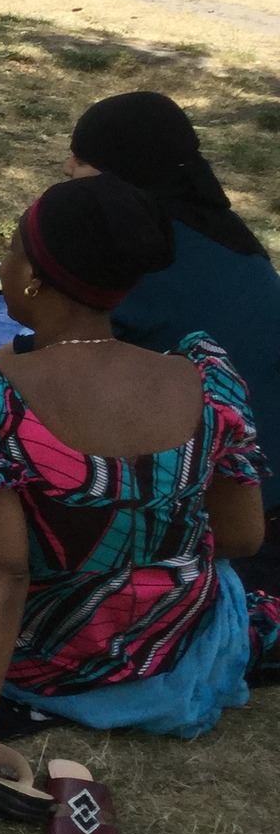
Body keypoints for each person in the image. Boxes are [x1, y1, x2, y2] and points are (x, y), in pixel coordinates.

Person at [0, 175, 278, 803]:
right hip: (185, 643)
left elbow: (3, 571)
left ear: (34, 278)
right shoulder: (205, 376)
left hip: (52, 655)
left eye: (11, 249)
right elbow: (243, 535)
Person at [67, 91, 280, 517]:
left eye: (83, 160)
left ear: (122, 175)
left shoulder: (139, 254)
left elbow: (61, 361)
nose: (68, 169)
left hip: (216, 507)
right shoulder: (228, 237)